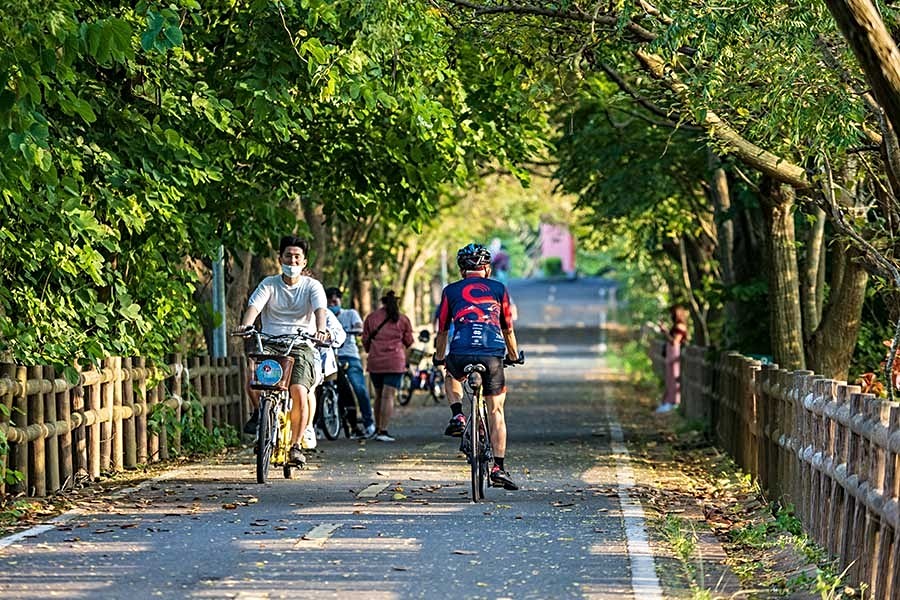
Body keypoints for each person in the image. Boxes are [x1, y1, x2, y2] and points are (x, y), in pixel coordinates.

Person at [235, 236, 330, 467]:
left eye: (297, 256)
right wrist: (247, 326)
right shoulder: (269, 284)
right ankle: (262, 416)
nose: (292, 260)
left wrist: (321, 331)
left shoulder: (312, 287)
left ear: (304, 262)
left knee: (299, 390)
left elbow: (320, 311)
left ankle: (296, 446)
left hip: (300, 344)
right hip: (269, 342)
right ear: (280, 259)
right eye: (288, 256)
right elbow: (254, 307)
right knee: (253, 381)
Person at [433, 243, 521, 490]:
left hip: (460, 351)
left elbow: (441, 330)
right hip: (492, 354)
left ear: (462, 270)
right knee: (496, 412)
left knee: (451, 372)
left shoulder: (450, 291)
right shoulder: (498, 288)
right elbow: (507, 328)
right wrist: (513, 355)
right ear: (487, 268)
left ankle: (458, 414)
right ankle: (498, 468)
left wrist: (440, 357)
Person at [362, 290, 413, 442]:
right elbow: (409, 341)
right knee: (388, 396)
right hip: (394, 362)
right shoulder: (402, 319)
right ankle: (383, 430)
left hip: (376, 361)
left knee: (378, 396)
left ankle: (377, 428)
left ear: (382, 301)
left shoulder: (371, 318)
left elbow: (365, 340)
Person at [326, 287, 376, 439]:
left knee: (359, 388)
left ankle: (369, 423)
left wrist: (353, 330)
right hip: (330, 357)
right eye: (330, 301)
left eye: (336, 300)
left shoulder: (350, 314)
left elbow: (359, 328)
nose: (333, 303)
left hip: (349, 356)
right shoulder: (323, 315)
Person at [304, 307, 347, 450]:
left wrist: (327, 335)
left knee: (312, 386)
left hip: (322, 360)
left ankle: (308, 426)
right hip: (294, 356)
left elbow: (340, 334)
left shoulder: (325, 312)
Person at [656, 304, 689, 414]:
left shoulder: (680, 326)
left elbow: (675, 341)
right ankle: (668, 401)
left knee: (674, 379)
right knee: (669, 378)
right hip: (671, 354)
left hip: (675, 354)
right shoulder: (677, 326)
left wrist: (665, 332)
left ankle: (674, 402)